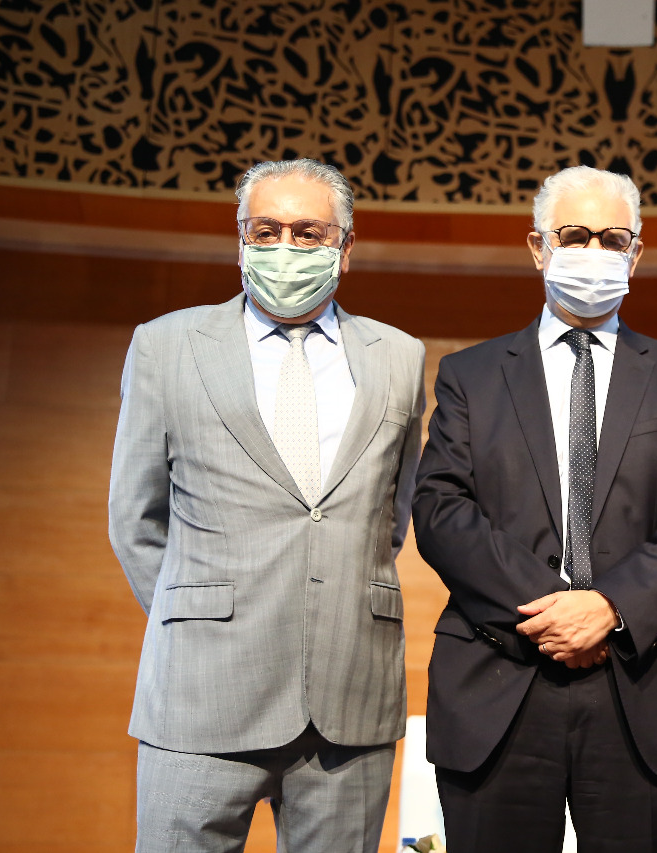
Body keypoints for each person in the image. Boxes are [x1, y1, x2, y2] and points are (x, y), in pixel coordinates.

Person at [413, 165, 657, 853]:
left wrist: (609, 607)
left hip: (639, 685)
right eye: (574, 235)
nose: (594, 251)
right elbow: (440, 509)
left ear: (635, 254)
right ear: (539, 248)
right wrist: (557, 611)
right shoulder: (471, 375)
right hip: (499, 676)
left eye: (612, 239)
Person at [108, 158, 425, 852]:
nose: (285, 247)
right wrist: (200, 617)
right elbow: (135, 518)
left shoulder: (400, 357)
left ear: (344, 248)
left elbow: (388, 518)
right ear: (241, 240)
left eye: (308, 233)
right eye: (265, 231)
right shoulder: (165, 345)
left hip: (350, 694)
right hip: (200, 691)